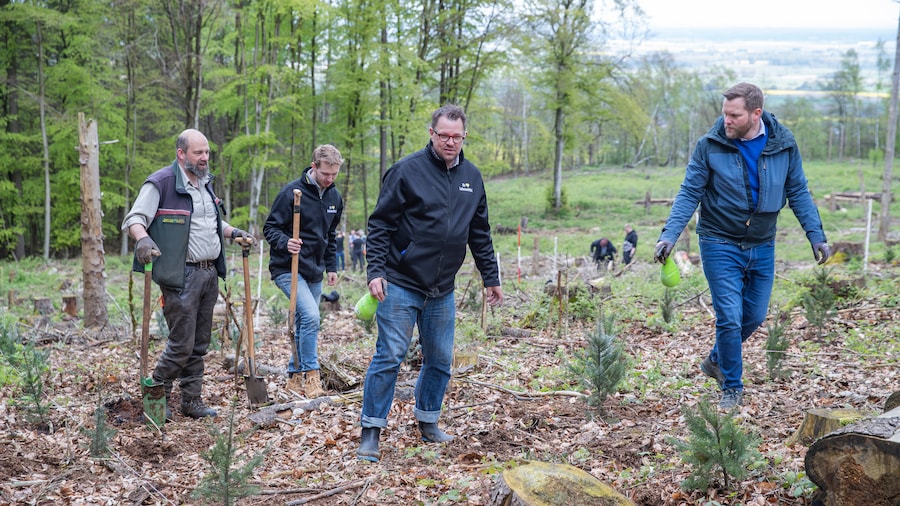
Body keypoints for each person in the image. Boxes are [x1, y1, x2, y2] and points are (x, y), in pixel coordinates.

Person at [654, 82, 830, 409]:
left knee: (755, 315)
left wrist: (815, 234)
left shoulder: (784, 145)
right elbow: (690, 192)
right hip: (718, 241)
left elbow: (799, 191)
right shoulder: (709, 145)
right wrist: (669, 234)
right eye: (724, 114)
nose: (726, 121)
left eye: (734, 115)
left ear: (756, 114)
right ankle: (732, 387)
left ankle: (716, 360)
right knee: (730, 318)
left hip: (762, 243)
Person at [357, 105, 504, 462]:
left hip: (443, 287)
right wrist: (375, 270)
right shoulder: (406, 171)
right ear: (431, 133)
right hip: (401, 281)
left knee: (439, 359)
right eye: (444, 135)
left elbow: (479, 233)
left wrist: (491, 277)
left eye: (457, 136)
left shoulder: (472, 176)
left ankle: (427, 421)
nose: (450, 142)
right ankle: (371, 431)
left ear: (464, 136)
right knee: (390, 355)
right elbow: (380, 225)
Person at [123, 128, 253, 420]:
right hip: (180, 275)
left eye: (207, 152)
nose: (205, 157)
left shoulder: (205, 184)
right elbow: (134, 218)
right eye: (198, 152)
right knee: (182, 343)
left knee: (200, 343)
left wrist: (233, 233)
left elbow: (211, 223)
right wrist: (143, 239)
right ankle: (156, 396)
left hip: (208, 273)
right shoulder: (162, 182)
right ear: (181, 154)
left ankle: (191, 401)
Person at [263, 144, 344, 399]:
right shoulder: (291, 193)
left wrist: (331, 266)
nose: (329, 179)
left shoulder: (334, 198)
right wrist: (285, 242)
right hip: (287, 267)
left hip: (314, 269)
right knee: (310, 317)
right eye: (325, 174)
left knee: (303, 322)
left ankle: (294, 376)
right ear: (314, 167)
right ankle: (311, 375)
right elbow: (270, 228)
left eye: (334, 174)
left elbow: (330, 236)